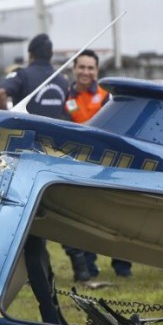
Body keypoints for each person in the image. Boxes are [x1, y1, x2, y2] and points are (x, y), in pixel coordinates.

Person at [62, 49, 113, 284]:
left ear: (97, 71)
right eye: (81, 67)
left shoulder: (106, 97)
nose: (85, 72)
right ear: (74, 69)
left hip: (99, 165)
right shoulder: (64, 96)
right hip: (71, 165)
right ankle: (87, 267)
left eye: (90, 68)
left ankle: (117, 266)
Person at [0, 33, 69, 119]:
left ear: (31, 55)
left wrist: (5, 121)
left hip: (26, 130)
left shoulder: (22, 75)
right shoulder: (62, 80)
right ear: (51, 54)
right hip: (54, 132)